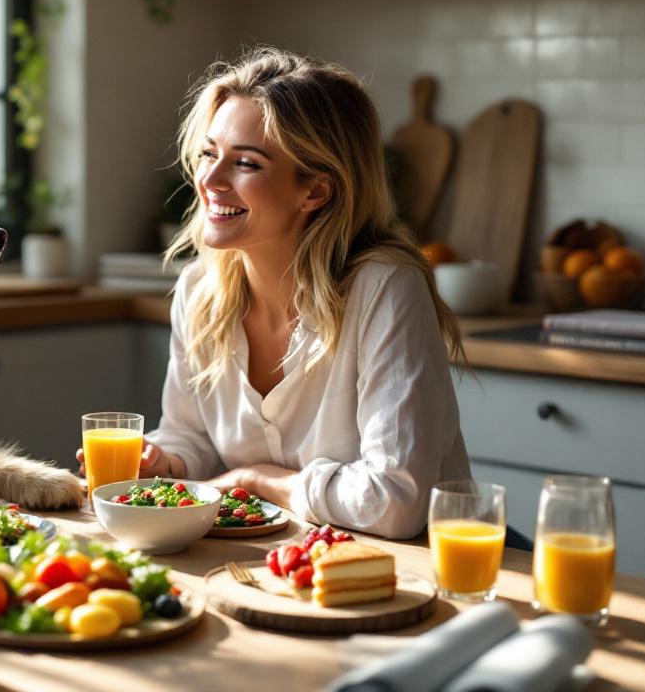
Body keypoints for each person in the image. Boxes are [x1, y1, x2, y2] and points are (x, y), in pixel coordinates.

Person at [80, 47, 471, 539]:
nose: (210, 181)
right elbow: (192, 437)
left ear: (315, 192)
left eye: (245, 163)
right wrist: (166, 462)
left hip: (412, 579)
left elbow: (394, 502)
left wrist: (256, 480)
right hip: (277, 565)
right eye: (208, 153)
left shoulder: (385, 288)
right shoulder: (200, 291)